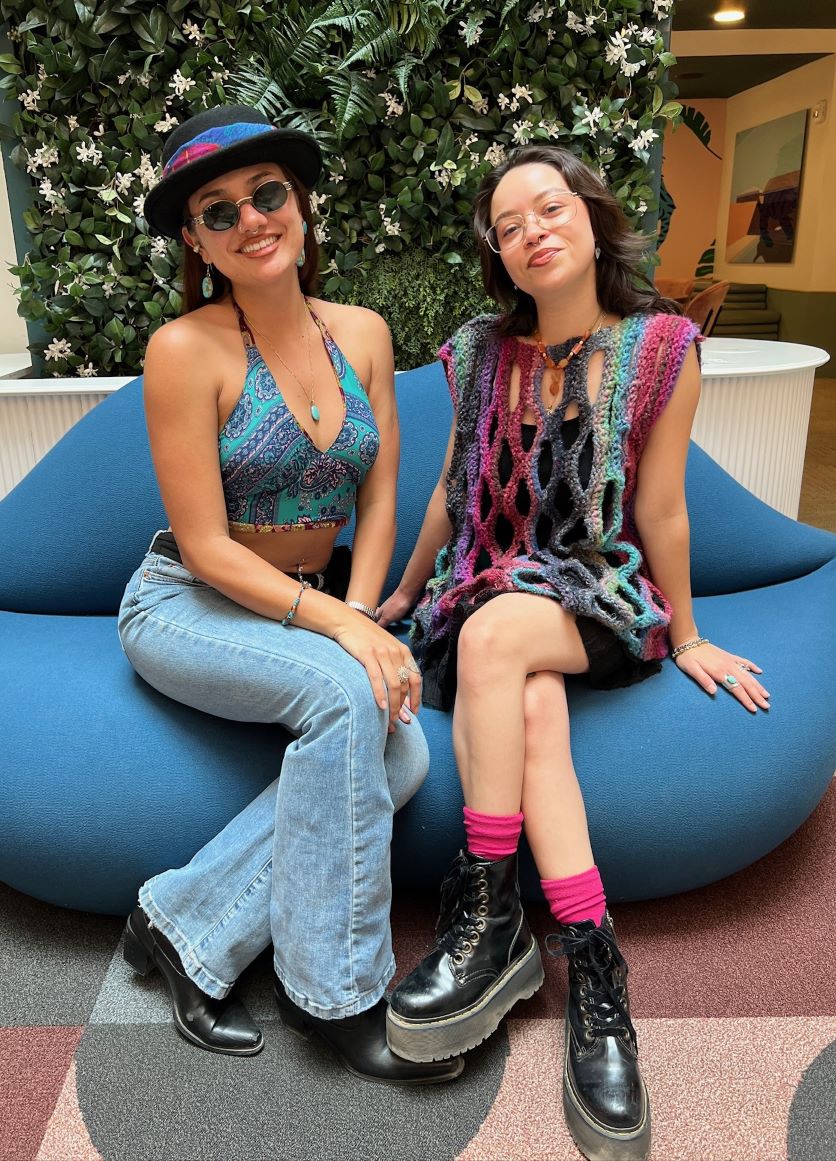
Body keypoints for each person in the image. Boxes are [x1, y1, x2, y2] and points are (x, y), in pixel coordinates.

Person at [376, 145, 770, 1157]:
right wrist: (407, 591)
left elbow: (659, 508)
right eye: (507, 227)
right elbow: (446, 490)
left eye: (547, 208)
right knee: (528, 699)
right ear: (498, 259)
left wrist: (687, 634)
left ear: (592, 221)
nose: (530, 232)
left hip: (588, 592)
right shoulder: (473, 352)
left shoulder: (660, 348)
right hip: (478, 587)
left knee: (510, 631)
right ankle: (592, 967)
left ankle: (488, 918)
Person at [117, 104, 462, 1085]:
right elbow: (207, 546)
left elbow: (382, 493)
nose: (250, 219)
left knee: (402, 756)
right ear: (196, 240)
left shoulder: (362, 332)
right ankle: (336, 994)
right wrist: (347, 633)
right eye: (218, 211)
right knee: (347, 697)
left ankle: (178, 924)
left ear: (300, 205)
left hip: (311, 596)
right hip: (188, 600)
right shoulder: (183, 350)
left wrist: (361, 609)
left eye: (267, 193)